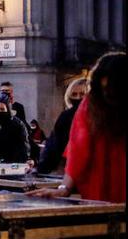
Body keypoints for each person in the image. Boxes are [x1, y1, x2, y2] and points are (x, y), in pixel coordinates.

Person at [31, 52, 126, 203]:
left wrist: (65, 188)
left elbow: (78, 150)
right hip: (100, 188)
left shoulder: (90, 106)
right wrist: (64, 189)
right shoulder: (89, 106)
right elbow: (78, 150)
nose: (106, 93)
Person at [35, 76, 88, 175]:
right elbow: (55, 144)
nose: (78, 98)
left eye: (82, 94)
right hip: (69, 168)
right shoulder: (66, 116)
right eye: (74, 94)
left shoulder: (100, 117)